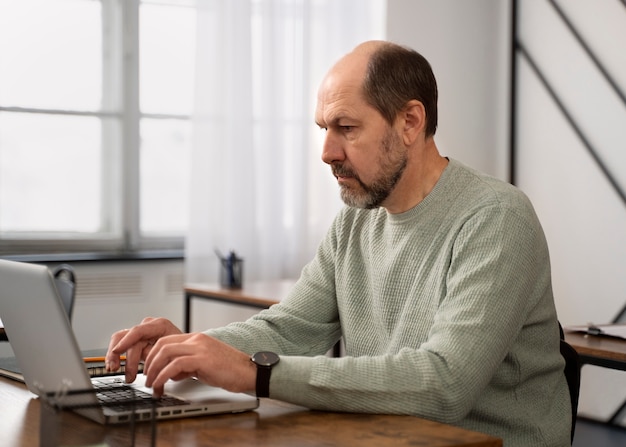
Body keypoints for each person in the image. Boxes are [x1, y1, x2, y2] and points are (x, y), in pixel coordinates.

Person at [106, 40, 570, 446]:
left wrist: (256, 373)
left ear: (410, 121)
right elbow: (292, 328)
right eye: (323, 128)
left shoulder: (496, 218)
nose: (327, 152)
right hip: (389, 437)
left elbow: (443, 384)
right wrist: (195, 346)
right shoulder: (355, 220)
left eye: (346, 128)